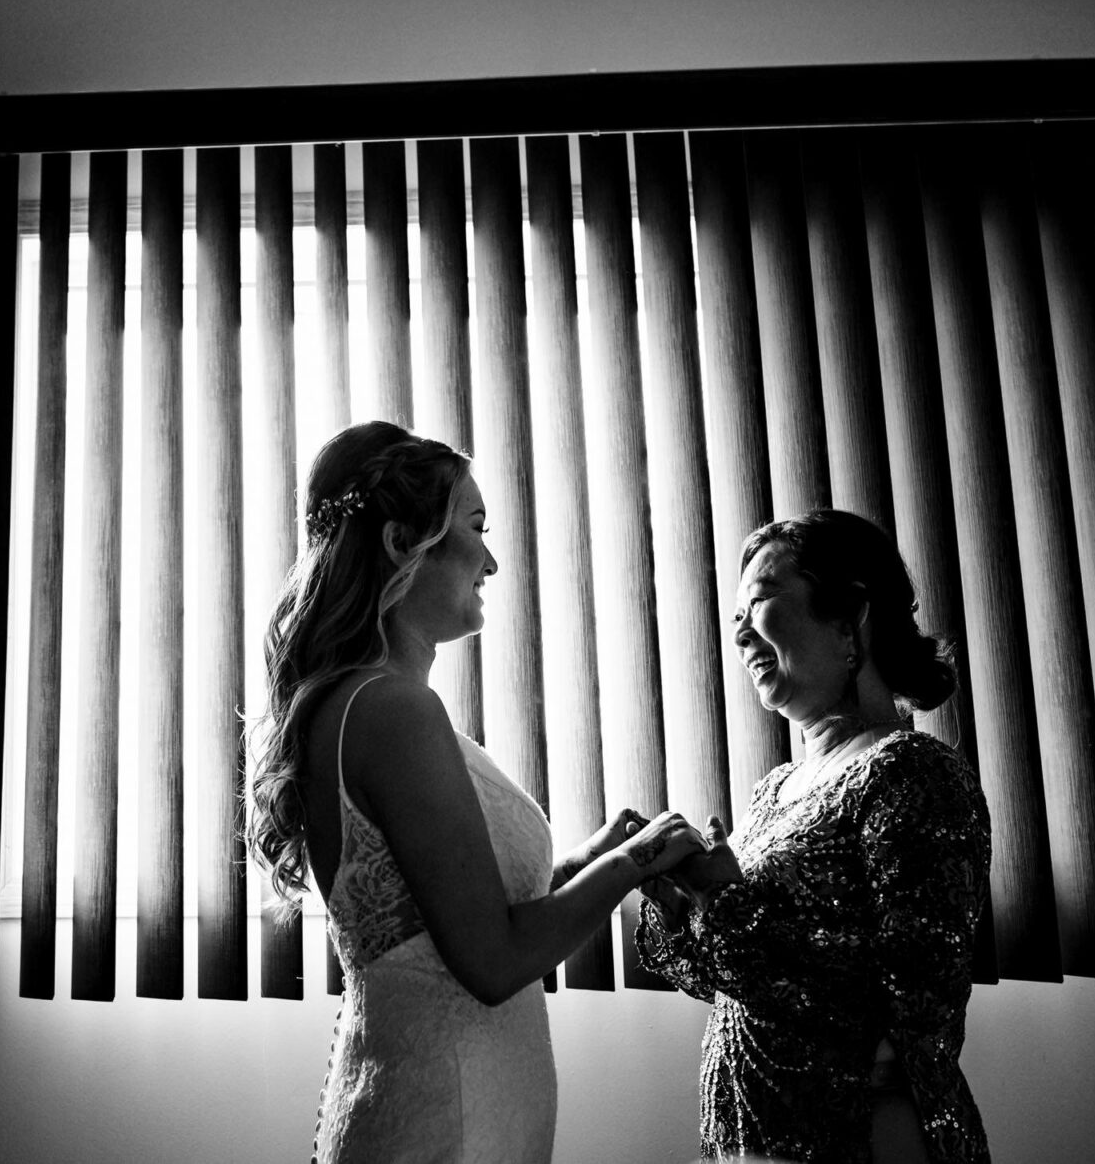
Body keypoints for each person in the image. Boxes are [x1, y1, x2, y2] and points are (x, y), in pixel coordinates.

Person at [246, 420, 706, 1163]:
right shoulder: (393, 709)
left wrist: (597, 857)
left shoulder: (368, 703)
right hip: (449, 1111)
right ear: (403, 542)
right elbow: (490, 961)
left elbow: (448, 923)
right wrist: (638, 865)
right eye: (476, 526)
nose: (490, 560)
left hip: (447, 1092)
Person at [637, 508, 992, 1163]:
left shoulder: (913, 775)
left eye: (761, 602)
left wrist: (725, 899)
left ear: (849, 617)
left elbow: (908, 1021)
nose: (739, 631)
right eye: (735, 614)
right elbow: (736, 979)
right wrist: (675, 897)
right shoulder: (773, 792)